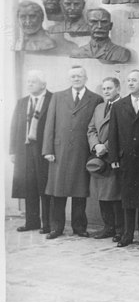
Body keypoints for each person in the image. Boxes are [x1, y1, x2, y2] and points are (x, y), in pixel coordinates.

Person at [42, 66, 103, 239]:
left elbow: (96, 126)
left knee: (79, 192)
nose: (76, 79)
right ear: (70, 79)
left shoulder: (95, 99)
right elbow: (49, 124)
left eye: (79, 76)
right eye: (73, 76)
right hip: (59, 152)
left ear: (86, 78)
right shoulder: (58, 96)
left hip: (82, 152)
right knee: (58, 192)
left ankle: (79, 227)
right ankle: (57, 227)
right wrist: (48, 150)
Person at [108, 70, 139, 248]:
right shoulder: (119, 105)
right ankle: (127, 235)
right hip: (125, 159)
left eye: (134, 80)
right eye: (128, 81)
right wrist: (113, 156)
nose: (131, 83)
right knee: (126, 199)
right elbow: (113, 133)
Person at [10, 70, 53, 233]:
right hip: (25, 150)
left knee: (45, 186)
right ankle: (32, 222)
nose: (29, 84)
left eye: (33, 81)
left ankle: (48, 223)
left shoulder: (53, 99)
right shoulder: (22, 102)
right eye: (28, 81)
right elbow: (14, 127)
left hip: (44, 150)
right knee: (29, 186)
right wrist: (12, 151)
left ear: (43, 84)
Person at [87, 77, 123, 241]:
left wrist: (106, 147)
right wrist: (96, 146)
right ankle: (107, 227)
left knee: (115, 195)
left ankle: (119, 230)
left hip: (115, 155)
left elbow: (123, 132)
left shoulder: (124, 106)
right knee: (102, 194)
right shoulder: (99, 107)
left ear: (118, 89)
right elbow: (91, 129)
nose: (107, 91)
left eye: (110, 88)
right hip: (99, 157)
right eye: (104, 89)